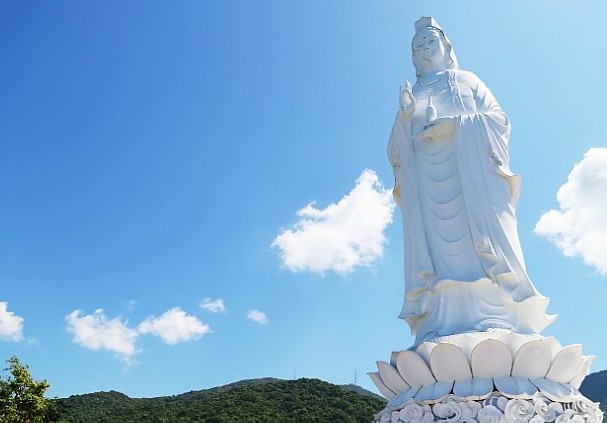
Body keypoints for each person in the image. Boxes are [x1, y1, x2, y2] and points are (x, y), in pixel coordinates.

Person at [388, 17, 554, 345]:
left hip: (472, 181)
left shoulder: (467, 81)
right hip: (428, 188)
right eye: (418, 46)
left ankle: (497, 317)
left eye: (430, 42)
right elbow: (396, 152)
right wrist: (405, 118)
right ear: (413, 57)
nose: (424, 49)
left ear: (446, 46)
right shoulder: (413, 94)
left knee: (480, 250)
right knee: (438, 258)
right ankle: (440, 321)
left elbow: (499, 121)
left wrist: (456, 127)